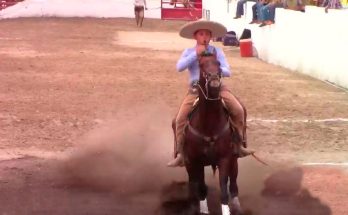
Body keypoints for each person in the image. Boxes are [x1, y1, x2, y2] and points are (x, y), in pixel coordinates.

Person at [167, 19, 254, 167]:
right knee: (179, 120)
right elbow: (179, 67)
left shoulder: (217, 51)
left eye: (207, 34)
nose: (205, 37)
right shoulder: (188, 52)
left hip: (217, 88)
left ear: (211, 36)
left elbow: (228, 71)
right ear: (196, 37)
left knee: (239, 110)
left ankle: (239, 145)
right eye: (201, 34)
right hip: (196, 90)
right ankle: (181, 153)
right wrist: (196, 54)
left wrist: (217, 70)